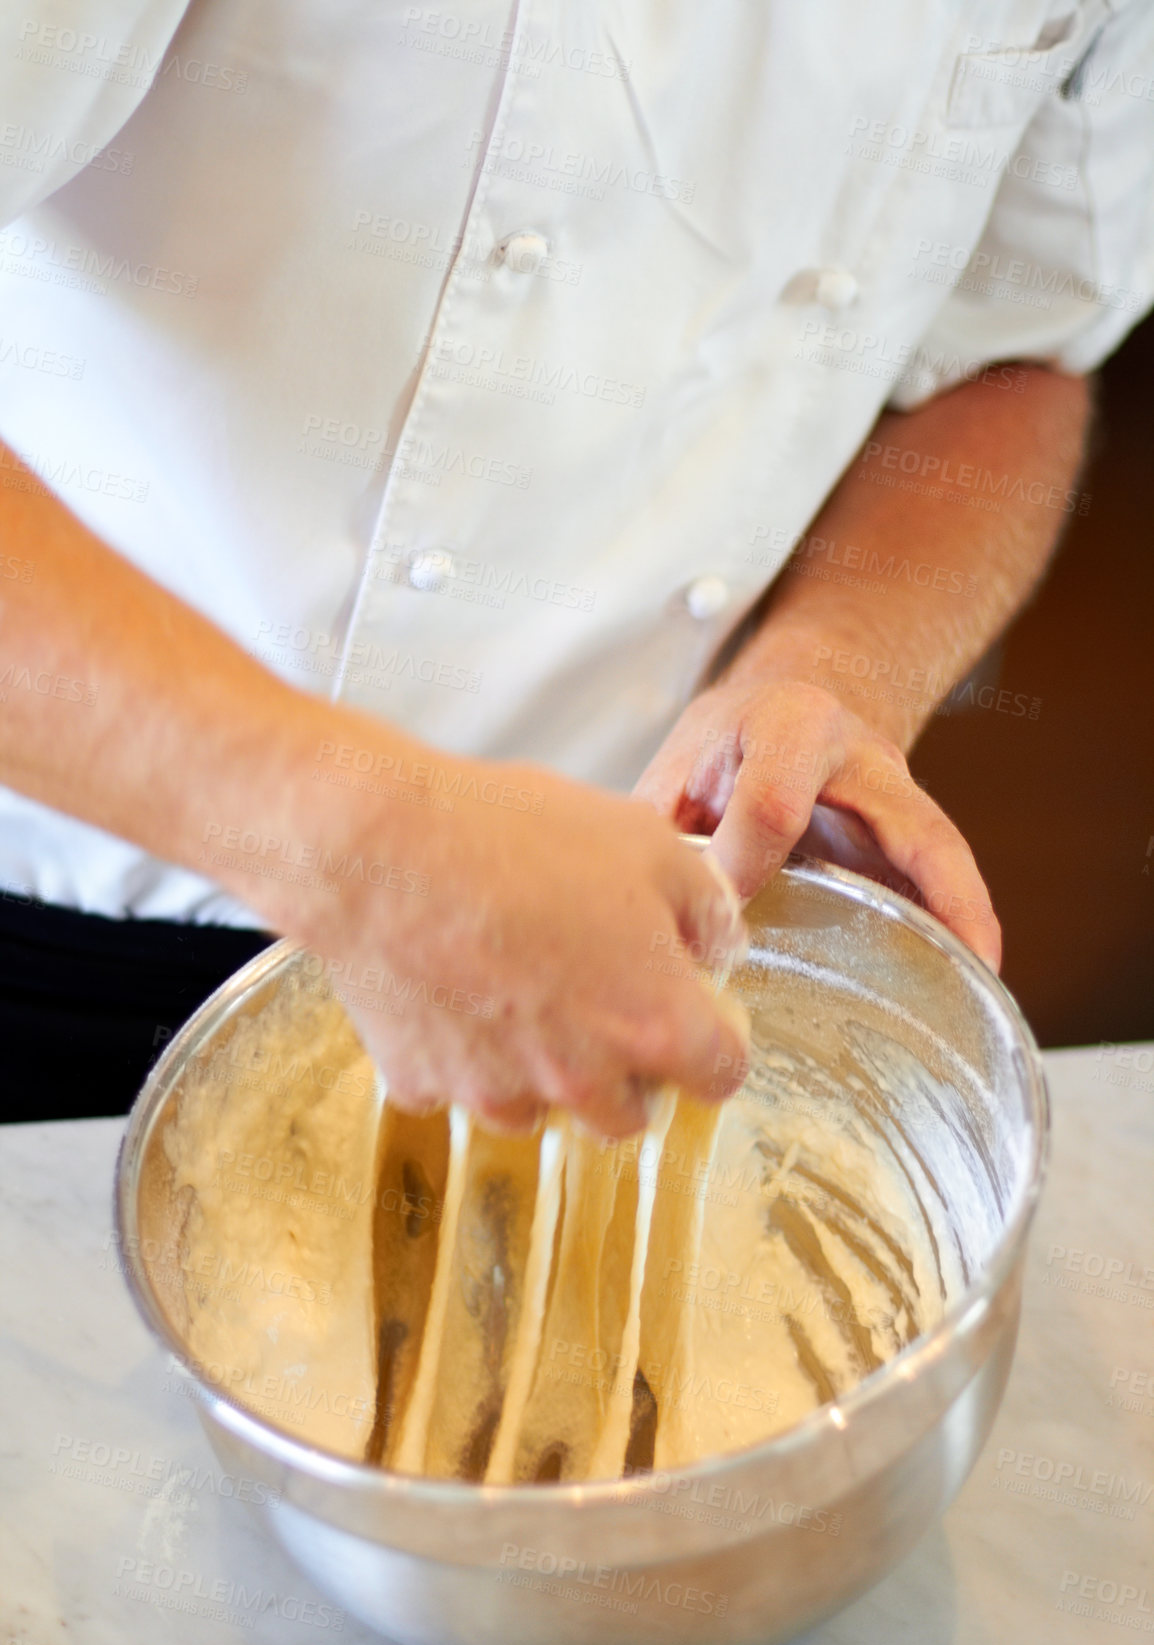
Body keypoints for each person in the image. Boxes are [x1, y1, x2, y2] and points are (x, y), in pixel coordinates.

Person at [0, 0, 1150, 1127]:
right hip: (70, 887)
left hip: (607, 926)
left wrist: (838, 663)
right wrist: (371, 845)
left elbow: (1007, 356)